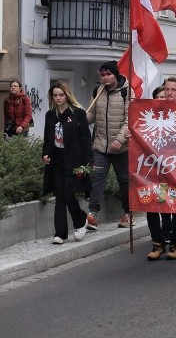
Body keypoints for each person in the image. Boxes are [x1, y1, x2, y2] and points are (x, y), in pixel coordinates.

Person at [41, 82, 91, 245]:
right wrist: (45, 155)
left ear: (67, 95)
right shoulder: (50, 115)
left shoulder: (78, 113)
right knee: (60, 196)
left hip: (74, 160)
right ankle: (60, 234)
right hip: (57, 160)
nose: (58, 98)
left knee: (69, 193)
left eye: (61, 95)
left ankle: (81, 219)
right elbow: (48, 138)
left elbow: (85, 139)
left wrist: (89, 161)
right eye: (55, 95)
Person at [86, 61, 133, 230]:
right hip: (100, 145)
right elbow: (92, 114)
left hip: (121, 147)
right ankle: (93, 214)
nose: (105, 78)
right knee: (97, 178)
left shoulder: (127, 92)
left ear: (116, 74)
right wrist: (81, 120)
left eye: (108, 74)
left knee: (124, 180)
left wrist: (120, 139)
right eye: (103, 75)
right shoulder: (97, 91)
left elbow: (131, 119)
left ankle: (128, 213)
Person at [146, 77, 176, 261]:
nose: (169, 93)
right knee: (152, 204)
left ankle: (175, 244)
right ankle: (157, 243)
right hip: (155, 167)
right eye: (167, 89)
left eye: (173, 90)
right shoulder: (153, 111)